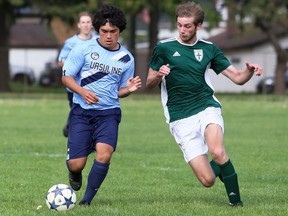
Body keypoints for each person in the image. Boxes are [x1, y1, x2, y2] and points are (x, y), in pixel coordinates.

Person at [146, 1, 263, 207]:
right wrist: (158, 75)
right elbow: (148, 83)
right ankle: (220, 167)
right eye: (180, 25)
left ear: (198, 26)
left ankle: (236, 203)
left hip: (206, 107)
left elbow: (237, 77)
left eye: (188, 26)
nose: (182, 30)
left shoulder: (209, 49)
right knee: (207, 180)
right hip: (179, 117)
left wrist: (249, 71)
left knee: (217, 151)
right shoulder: (164, 48)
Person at [62, 4, 142, 206]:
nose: (108, 36)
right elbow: (67, 77)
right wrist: (82, 92)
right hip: (82, 112)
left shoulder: (126, 58)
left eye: (113, 31)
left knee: (105, 154)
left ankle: (86, 202)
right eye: (104, 31)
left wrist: (128, 89)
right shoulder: (83, 49)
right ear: (98, 30)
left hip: (109, 113)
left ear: (119, 31)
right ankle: (74, 170)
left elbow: (120, 91)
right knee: (76, 164)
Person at [58, 11, 96, 137]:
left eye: (88, 22)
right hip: (74, 86)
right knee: (77, 110)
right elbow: (61, 62)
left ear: (92, 24)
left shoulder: (97, 41)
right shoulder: (71, 42)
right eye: (83, 22)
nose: (85, 25)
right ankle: (73, 130)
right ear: (79, 25)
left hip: (93, 85)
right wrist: (76, 66)